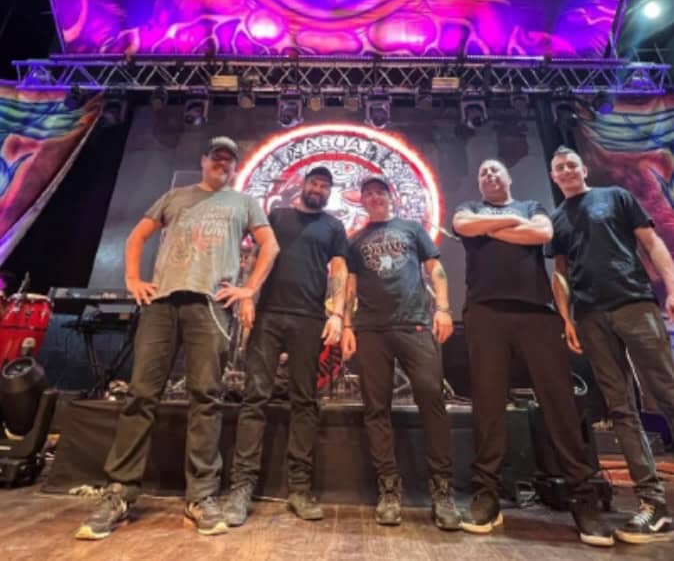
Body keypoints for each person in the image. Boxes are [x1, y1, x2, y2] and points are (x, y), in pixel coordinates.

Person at [76, 136, 279, 539]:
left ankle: (200, 496)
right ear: (203, 160)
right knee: (141, 395)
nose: (223, 162)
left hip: (209, 306)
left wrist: (249, 289)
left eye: (230, 159)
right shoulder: (174, 197)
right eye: (217, 156)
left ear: (235, 167)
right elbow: (136, 236)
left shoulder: (243, 202)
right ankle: (120, 493)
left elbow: (269, 245)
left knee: (206, 398)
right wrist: (133, 278)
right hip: (162, 304)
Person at [451, 158, 613, 547]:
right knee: (488, 404)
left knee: (559, 403)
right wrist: (510, 225)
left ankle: (583, 497)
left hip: (537, 313)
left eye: (495, 170)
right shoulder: (469, 208)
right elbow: (462, 226)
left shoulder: (533, 207)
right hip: (485, 312)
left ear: (508, 178)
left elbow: (542, 232)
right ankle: (487, 493)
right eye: (483, 173)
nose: (490, 175)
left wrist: (493, 228)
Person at [549, 145, 674, 544]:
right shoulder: (557, 218)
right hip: (590, 316)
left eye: (571, 164)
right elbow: (560, 272)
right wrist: (566, 317)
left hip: (634, 303)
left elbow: (652, 243)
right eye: (559, 167)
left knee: (667, 391)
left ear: (584, 169)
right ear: (553, 176)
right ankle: (653, 504)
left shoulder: (616, 197)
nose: (567, 170)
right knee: (620, 408)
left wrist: (672, 286)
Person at [223, 166, 349, 525]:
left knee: (305, 401)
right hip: (268, 315)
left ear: (329, 192)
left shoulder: (333, 226)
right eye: (315, 183)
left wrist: (337, 314)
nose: (319, 189)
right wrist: (248, 295)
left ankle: (299, 488)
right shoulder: (277, 216)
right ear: (303, 184)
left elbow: (340, 270)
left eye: (325, 186)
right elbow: (256, 257)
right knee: (255, 398)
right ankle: (241, 487)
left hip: (309, 319)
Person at [340, 175, 459, 530]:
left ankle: (442, 489)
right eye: (368, 193)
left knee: (431, 399)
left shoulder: (411, 228)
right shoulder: (354, 240)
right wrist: (346, 325)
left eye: (380, 192)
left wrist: (443, 308)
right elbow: (349, 285)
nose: (374, 197)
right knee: (376, 408)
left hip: (415, 324)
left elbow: (435, 268)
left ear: (390, 197)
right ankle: (389, 488)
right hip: (370, 330)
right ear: (362, 201)